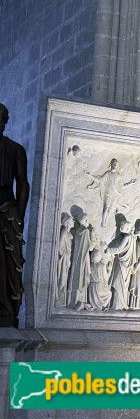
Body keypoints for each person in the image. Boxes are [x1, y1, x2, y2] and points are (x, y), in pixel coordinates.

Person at [0, 103, 29, 328]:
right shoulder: (16, 149)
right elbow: (23, 185)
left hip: (7, 210)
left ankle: (6, 308)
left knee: (8, 262)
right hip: (9, 209)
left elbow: (23, 185)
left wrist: (18, 217)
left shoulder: (15, 149)